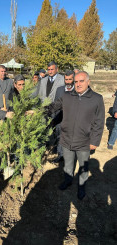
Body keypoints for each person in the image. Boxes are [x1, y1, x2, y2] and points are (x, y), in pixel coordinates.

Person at [45, 71, 105, 200]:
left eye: (81, 81)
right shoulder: (67, 96)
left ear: (88, 82)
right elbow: (53, 106)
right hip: (66, 139)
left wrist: (94, 141)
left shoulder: (96, 99)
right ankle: (68, 181)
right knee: (68, 164)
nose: (78, 84)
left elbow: (99, 122)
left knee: (83, 167)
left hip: (84, 140)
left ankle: (81, 187)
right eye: (76, 81)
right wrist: (38, 111)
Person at [53, 70, 75, 163]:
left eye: (70, 79)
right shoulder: (59, 89)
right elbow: (54, 105)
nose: (68, 82)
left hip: (73, 120)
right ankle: (60, 155)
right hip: (60, 119)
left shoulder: (78, 90)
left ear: (73, 79)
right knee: (59, 137)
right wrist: (54, 119)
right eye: (66, 79)